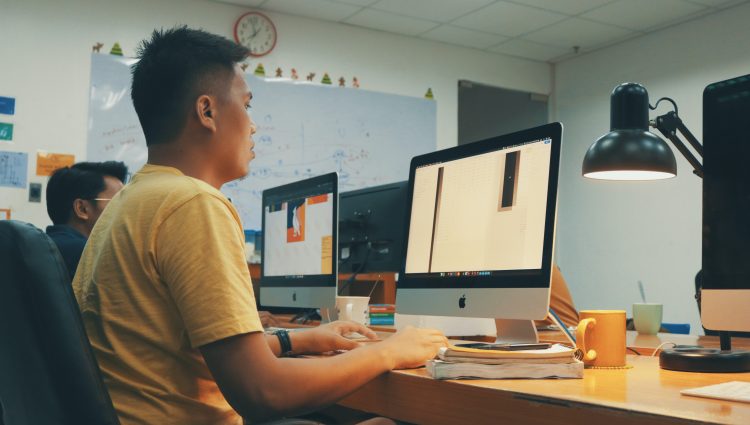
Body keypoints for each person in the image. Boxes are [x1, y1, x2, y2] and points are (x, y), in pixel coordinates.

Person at [73, 26, 446, 425]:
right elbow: (263, 392)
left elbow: (190, 349)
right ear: (207, 111)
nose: (253, 125)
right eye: (247, 105)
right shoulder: (194, 204)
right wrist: (389, 351)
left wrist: (299, 338)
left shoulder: (132, 200)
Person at [45, 161, 128, 278]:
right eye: (117, 202)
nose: (125, 210)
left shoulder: (46, 245)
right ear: (82, 209)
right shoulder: (89, 255)